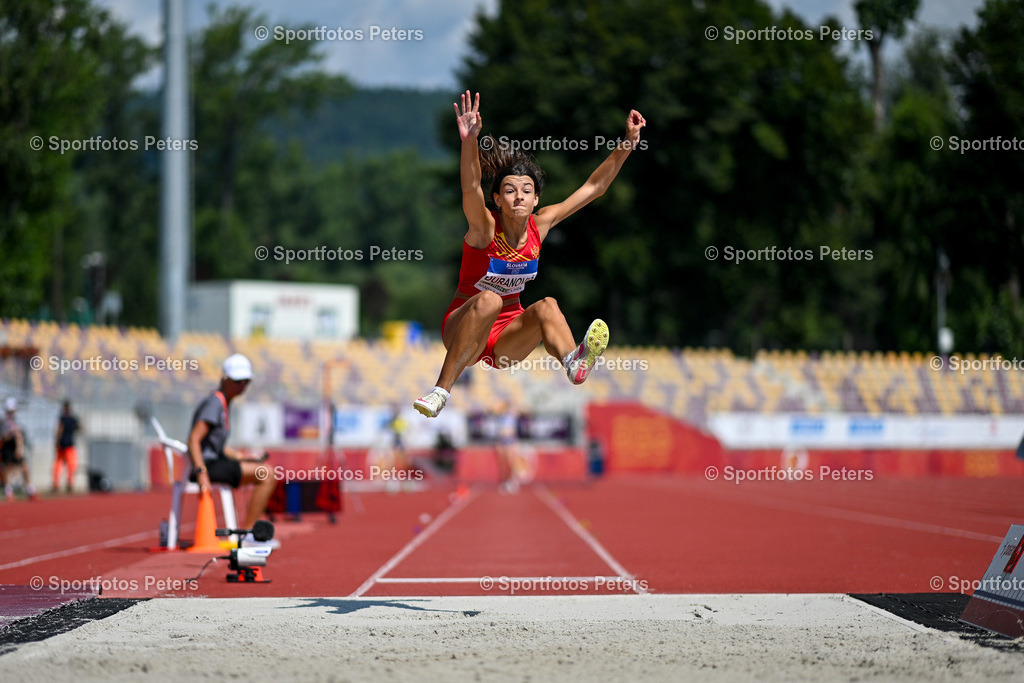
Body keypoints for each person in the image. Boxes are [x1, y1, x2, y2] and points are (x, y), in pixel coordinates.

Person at [413, 91, 646, 417]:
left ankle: (573, 362)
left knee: (547, 305)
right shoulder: (484, 227)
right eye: (509, 191)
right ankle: (440, 391)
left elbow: (594, 188)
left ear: (536, 199)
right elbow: (470, 188)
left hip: (507, 342)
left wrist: (628, 144)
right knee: (491, 299)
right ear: (497, 199)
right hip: (464, 328)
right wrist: (469, 141)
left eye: (526, 191)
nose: (518, 197)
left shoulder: (543, 224)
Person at [187, 354, 278, 543]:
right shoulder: (215, 403)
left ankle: (248, 533)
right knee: (266, 474)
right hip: (207, 465)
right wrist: (201, 473)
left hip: (213, 461)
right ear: (225, 379)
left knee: (264, 471)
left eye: (246, 382)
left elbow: (215, 445)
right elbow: (194, 440)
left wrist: (239, 457)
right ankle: (249, 534)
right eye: (238, 381)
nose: (242, 386)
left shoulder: (222, 402)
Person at [2, 397, 37, 500]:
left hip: (15, 448)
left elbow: (19, 436)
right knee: (7, 469)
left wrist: (19, 448)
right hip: (7, 448)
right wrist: (11, 434)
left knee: (24, 467)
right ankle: (8, 492)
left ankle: (30, 490)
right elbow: (3, 437)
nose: (13, 413)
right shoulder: (4, 422)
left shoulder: (15, 421)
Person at [53, 400, 80, 493]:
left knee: (71, 465)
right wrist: (57, 441)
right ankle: (56, 483)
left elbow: (79, 428)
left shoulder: (72, 419)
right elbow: (59, 430)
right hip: (64, 444)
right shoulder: (63, 419)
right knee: (59, 464)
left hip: (68, 445)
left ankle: (69, 483)